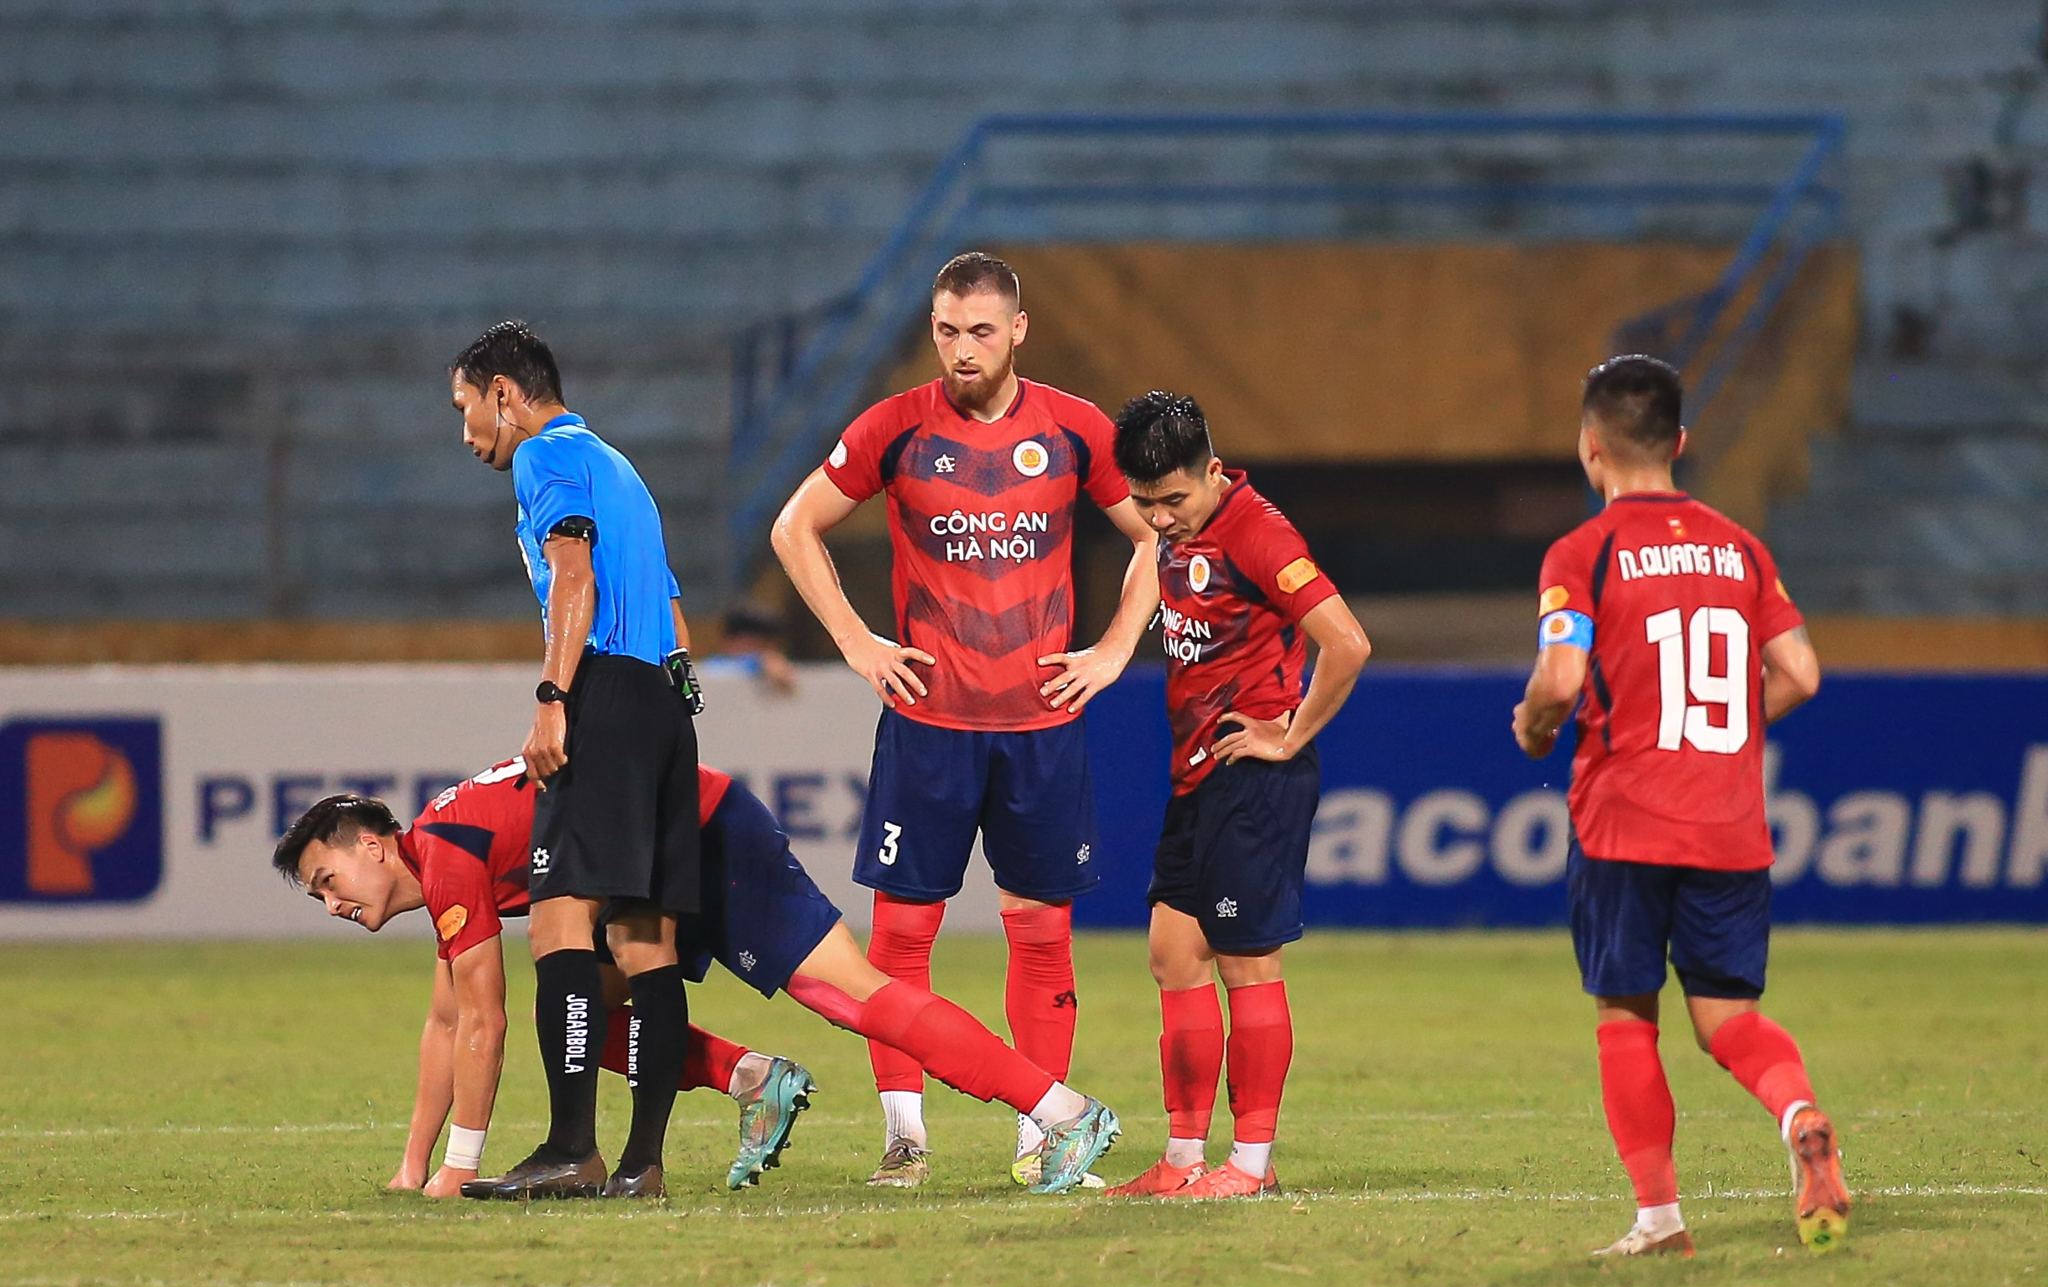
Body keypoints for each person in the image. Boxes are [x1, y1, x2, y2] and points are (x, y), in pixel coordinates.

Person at [273, 758, 1124, 1197]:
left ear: (371, 846)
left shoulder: (448, 852)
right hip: (653, 854)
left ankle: (1064, 1112)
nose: (331, 903)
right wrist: (411, 1167)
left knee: (851, 995)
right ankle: (755, 1078)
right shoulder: (444, 850)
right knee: (587, 1019)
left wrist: (458, 1168)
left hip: (701, 835)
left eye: (328, 881)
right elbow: (446, 1023)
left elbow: (480, 1025)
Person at [771, 252, 1157, 1187]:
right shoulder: (896, 428)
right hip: (929, 726)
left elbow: (1157, 533)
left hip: (1041, 727)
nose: (963, 349)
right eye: (948, 331)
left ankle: (1045, 1142)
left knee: (1041, 931)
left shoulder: (1075, 429)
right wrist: (859, 642)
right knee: (902, 935)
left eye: (982, 331)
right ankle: (904, 1143)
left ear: (1018, 330)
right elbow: (794, 527)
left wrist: (1113, 651)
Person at [1511, 355, 1849, 1256]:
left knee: (1628, 1014)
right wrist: (1728, 728)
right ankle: (1799, 1114)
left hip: (1625, 815)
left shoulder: (1585, 550)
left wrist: (1536, 726)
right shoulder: (1741, 546)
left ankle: (1659, 1220)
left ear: (1591, 448)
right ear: (1682, 443)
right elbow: (1803, 673)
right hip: (1729, 820)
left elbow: (1561, 675)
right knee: (1728, 1019)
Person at [450, 321, 704, 1199]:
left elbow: (573, 573)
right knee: (643, 939)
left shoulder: (543, 456)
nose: (467, 432)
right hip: (667, 701)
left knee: (559, 916)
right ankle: (644, 1164)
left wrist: (556, 697)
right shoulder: (622, 466)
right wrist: (666, 717)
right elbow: (672, 612)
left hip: (602, 692)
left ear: (505, 394)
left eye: (467, 408)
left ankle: (570, 1148)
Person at [1096, 393, 1370, 1201]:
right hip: (1196, 774)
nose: (1159, 519)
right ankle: (1183, 1160)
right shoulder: (1169, 532)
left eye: (1174, 501)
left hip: (1255, 776)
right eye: (1145, 504)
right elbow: (1153, 564)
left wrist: (1289, 735)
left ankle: (1249, 1166)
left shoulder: (1258, 532)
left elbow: (1347, 643)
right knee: (1174, 956)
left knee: (1247, 965)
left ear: (1213, 473)